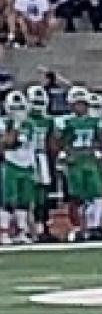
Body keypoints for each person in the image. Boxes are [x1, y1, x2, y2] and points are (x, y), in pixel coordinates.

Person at [55, 86, 102, 241]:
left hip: (91, 161)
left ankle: (95, 226)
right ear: (71, 105)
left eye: (83, 103)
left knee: (97, 194)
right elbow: (59, 142)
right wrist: (63, 156)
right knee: (77, 197)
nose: (81, 107)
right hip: (75, 162)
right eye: (77, 103)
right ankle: (78, 227)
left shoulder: (95, 121)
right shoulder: (65, 121)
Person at [2, 91, 43, 244]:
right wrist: (16, 126)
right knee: (8, 200)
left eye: (20, 108)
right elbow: (6, 144)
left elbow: (33, 147)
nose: (17, 111)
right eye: (14, 108)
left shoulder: (31, 124)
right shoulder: (4, 123)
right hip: (11, 164)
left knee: (24, 202)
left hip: (27, 166)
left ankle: (21, 231)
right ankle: (4, 232)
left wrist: (35, 167)